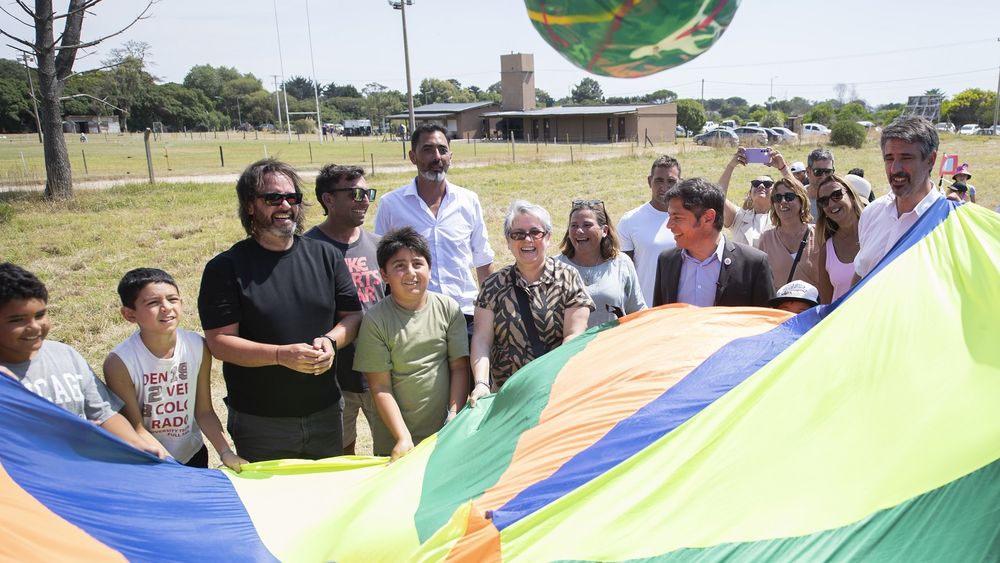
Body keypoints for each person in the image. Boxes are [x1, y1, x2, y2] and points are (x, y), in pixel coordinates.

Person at [198, 159, 363, 462]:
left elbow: (352, 316)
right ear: (250, 206)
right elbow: (220, 342)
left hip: (325, 413)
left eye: (292, 198)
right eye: (273, 198)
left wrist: (330, 341)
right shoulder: (225, 268)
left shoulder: (325, 255)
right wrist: (280, 356)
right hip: (261, 422)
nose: (285, 205)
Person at [0, 263, 163, 458]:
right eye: (17, 320)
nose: (34, 327)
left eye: (40, 315)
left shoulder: (65, 354)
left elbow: (103, 414)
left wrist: (137, 444)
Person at [104, 268, 246, 471]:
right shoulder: (119, 362)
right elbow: (135, 428)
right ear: (129, 314)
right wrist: (172, 467)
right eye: (153, 303)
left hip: (193, 454)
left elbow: (204, 411)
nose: (166, 308)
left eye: (172, 299)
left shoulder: (198, 346)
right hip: (150, 460)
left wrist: (225, 452)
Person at [353, 228, 470, 461]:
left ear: (429, 267)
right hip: (396, 441)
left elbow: (459, 367)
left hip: (445, 435)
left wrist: (453, 416)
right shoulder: (375, 320)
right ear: (384, 275)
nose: (411, 273)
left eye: (418, 263)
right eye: (399, 266)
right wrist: (402, 437)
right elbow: (380, 387)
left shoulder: (449, 309)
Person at [374, 124, 494, 337]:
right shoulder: (391, 205)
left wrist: (491, 310)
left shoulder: (468, 201)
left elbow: (483, 261)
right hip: (412, 317)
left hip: (464, 313)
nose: (436, 157)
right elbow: (380, 266)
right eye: (428, 149)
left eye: (442, 150)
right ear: (412, 156)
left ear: (450, 156)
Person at [469, 200, 594, 399]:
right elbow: (482, 339)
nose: (527, 240)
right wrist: (481, 383)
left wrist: (547, 380)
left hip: (557, 391)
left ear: (548, 237)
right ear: (508, 241)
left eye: (535, 232)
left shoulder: (568, 278)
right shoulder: (492, 286)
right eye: (517, 234)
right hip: (508, 397)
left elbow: (574, 336)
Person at [304, 164, 386, 455]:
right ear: (328, 199)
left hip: (379, 372)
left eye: (367, 193)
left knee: (391, 456)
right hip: (333, 378)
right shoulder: (306, 248)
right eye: (354, 193)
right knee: (339, 456)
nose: (364, 200)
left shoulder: (380, 246)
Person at [651, 178, 775, 307]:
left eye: (677, 217)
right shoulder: (666, 261)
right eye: (669, 216)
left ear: (708, 218)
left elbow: (767, 321)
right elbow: (660, 320)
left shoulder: (753, 264)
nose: (669, 225)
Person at [854, 116, 943, 280]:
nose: (895, 169)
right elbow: (860, 275)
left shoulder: (947, 222)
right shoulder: (871, 214)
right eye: (889, 159)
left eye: (906, 158)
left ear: (930, 159)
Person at [557, 199, 645, 327]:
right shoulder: (556, 266)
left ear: (604, 230)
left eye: (587, 225)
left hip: (614, 344)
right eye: (574, 225)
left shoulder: (622, 263)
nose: (579, 231)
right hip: (571, 346)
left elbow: (637, 310)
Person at [618, 155, 680, 307]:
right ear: (649, 181)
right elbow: (624, 272)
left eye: (671, 181)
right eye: (659, 180)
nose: (664, 186)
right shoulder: (630, 220)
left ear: (680, 183)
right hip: (645, 309)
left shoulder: (691, 219)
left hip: (682, 310)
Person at [753, 176, 820, 292]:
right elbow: (761, 283)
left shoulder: (819, 234)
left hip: (815, 308)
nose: (783, 202)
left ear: (801, 200)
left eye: (789, 197)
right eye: (778, 198)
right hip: (780, 309)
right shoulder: (766, 238)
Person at [718, 146, 794, 247]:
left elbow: (801, 197)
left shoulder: (783, 217)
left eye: (767, 184)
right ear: (750, 194)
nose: (761, 186)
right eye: (756, 183)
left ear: (775, 194)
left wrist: (783, 168)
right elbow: (717, 198)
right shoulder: (739, 218)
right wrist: (731, 166)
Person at [815, 175, 866, 303]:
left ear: (852, 197)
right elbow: (826, 305)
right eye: (824, 201)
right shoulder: (827, 250)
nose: (831, 204)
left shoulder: (877, 231)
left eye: (837, 195)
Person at [805, 148, 836, 220]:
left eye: (828, 172)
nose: (823, 177)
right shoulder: (797, 199)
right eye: (818, 171)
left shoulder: (838, 199)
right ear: (808, 171)